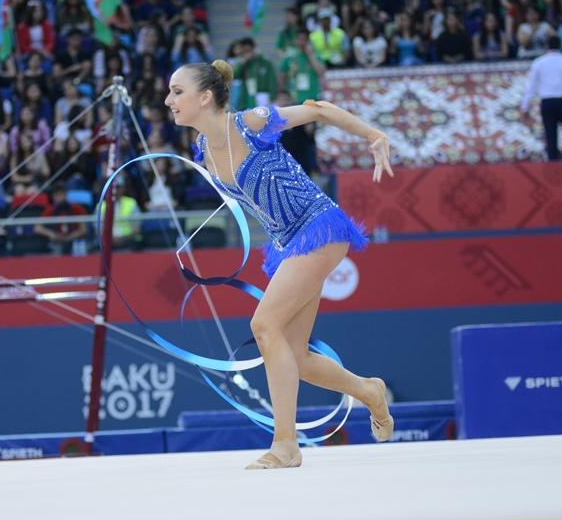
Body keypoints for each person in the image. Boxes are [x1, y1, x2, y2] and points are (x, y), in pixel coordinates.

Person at [165, 60, 394, 470]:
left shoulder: (253, 123)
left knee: (263, 325)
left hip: (319, 226)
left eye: (177, 92)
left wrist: (374, 135)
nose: (169, 100)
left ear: (204, 97)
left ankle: (286, 444)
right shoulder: (200, 150)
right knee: (296, 355)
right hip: (287, 242)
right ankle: (369, 391)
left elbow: (319, 108)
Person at [520, 36, 562, 161]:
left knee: (551, 136)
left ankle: (553, 165)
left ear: (546, 46)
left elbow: (531, 86)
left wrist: (525, 106)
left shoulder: (538, 62)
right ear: (560, 46)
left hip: (548, 102)